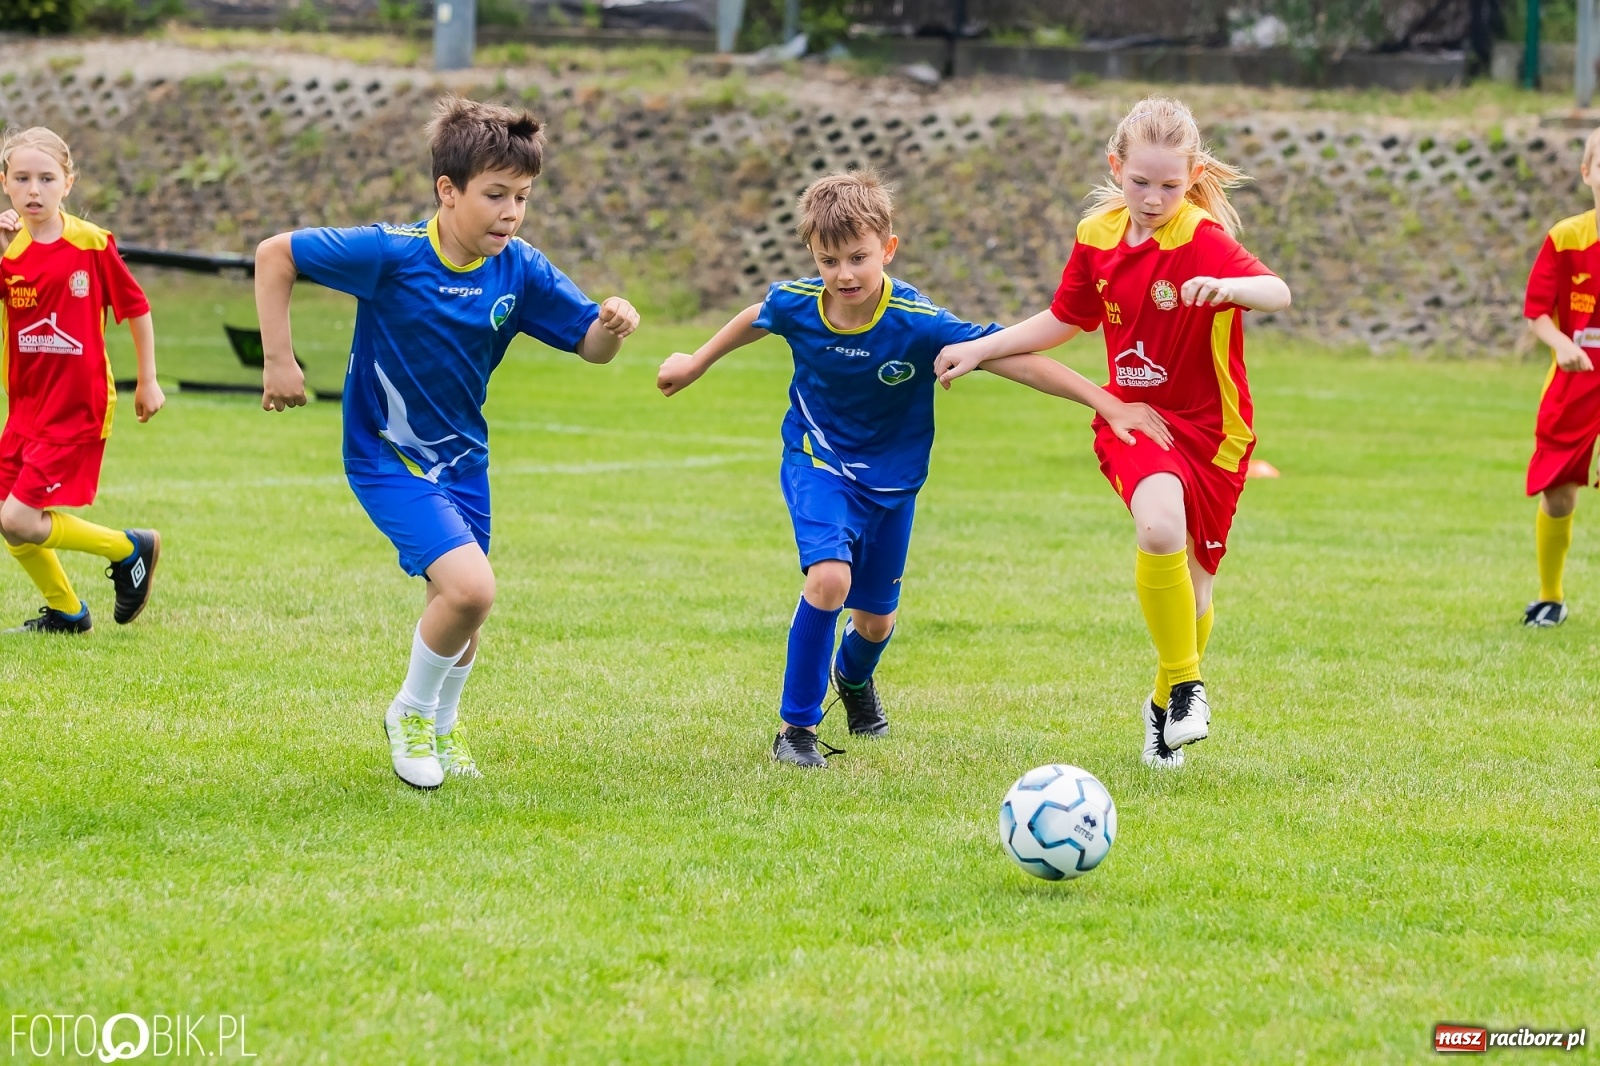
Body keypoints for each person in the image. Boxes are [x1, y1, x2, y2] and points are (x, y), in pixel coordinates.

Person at [656, 170, 1169, 768]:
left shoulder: (917, 320)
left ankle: (853, 678)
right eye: (828, 261)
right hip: (817, 461)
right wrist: (695, 362)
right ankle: (796, 730)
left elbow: (1013, 358)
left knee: (875, 623)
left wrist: (1105, 402)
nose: (844, 274)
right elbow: (758, 314)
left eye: (858, 258)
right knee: (829, 580)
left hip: (893, 486)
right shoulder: (798, 303)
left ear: (888, 248)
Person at [255, 97, 639, 789]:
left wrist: (611, 325)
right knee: (471, 589)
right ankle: (409, 712)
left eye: (522, 197)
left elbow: (590, 345)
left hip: (463, 462)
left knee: (462, 608)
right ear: (448, 190)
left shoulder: (519, 268)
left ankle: (443, 722)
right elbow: (275, 254)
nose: (511, 213)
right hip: (386, 456)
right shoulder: (392, 253)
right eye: (495, 195)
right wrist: (280, 360)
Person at [935, 96, 1291, 769]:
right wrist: (981, 347)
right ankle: (1186, 688)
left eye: (1170, 186)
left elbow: (1278, 292)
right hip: (1136, 418)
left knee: (1198, 589)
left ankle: (1162, 706)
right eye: (1140, 182)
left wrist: (1230, 288)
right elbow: (1064, 320)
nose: (1153, 199)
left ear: (1193, 177)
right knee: (1157, 527)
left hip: (1215, 430)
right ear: (1115, 166)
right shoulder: (1096, 236)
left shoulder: (1200, 238)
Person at [0, 125, 163, 635]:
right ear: (5, 183)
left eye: (46, 178)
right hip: (26, 409)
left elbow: (136, 307)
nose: (33, 190)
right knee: (6, 515)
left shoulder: (91, 245)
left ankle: (128, 548)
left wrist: (148, 380)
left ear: (67, 183)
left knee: (18, 519)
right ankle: (67, 612)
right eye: (21, 178)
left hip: (76, 406)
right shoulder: (9, 251)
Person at [1520, 126, 1600, 628]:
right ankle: (1550, 597)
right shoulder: (1567, 237)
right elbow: (1537, 313)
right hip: (1575, 380)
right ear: (1587, 172)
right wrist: (1563, 344)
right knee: (1559, 493)